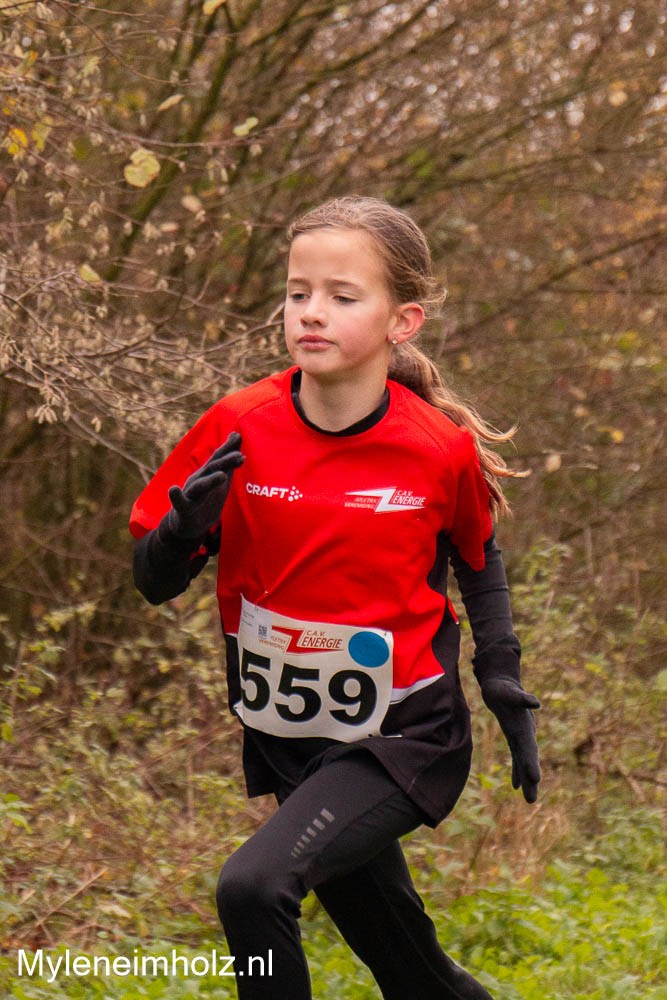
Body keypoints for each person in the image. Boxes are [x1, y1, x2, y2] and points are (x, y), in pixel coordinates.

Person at [129, 196, 541, 1000]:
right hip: (293, 735)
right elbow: (153, 581)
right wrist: (180, 535)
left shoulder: (436, 448)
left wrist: (500, 678)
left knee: (252, 889)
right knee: (411, 971)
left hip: (403, 735)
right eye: (297, 292)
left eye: (341, 297)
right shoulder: (238, 424)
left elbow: (477, 555)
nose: (311, 313)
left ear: (402, 321)